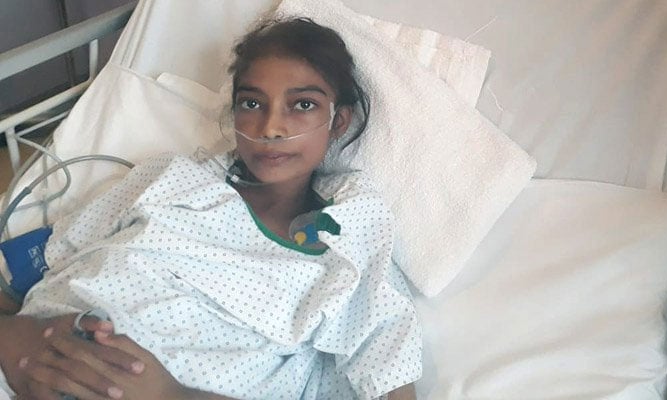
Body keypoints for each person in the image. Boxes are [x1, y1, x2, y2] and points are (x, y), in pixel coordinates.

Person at [0, 17, 422, 400]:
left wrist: (171, 395)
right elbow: (54, 255)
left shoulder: (351, 230)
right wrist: (19, 336)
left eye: (303, 105)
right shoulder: (171, 177)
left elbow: (389, 365)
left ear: (339, 121)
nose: (271, 127)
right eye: (252, 103)